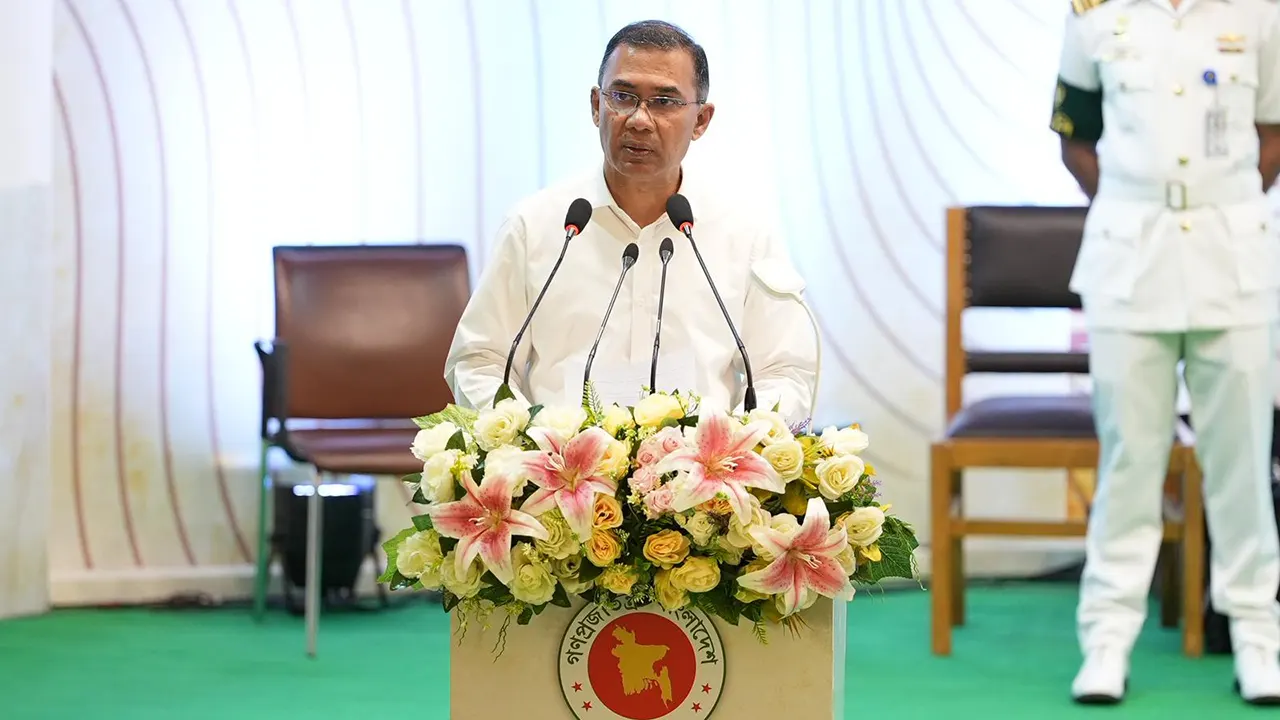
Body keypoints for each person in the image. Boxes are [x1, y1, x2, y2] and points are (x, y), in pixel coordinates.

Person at [1050, 0, 1280, 706]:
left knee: (1244, 462)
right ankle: (1107, 641)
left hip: (1231, 257)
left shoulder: (1261, 11)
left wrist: (1218, 202)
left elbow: (1273, 129)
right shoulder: (1094, 13)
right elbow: (1074, 137)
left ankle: (1258, 638)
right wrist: (1134, 202)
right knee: (1128, 461)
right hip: (1130, 257)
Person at [444, 20, 818, 423]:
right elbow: (480, 361)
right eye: (622, 97)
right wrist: (528, 440)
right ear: (596, 106)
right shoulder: (534, 226)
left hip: (704, 461)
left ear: (701, 120)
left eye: (664, 102)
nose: (639, 119)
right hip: (560, 460)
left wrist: (740, 440)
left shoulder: (744, 234)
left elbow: (783, 371)